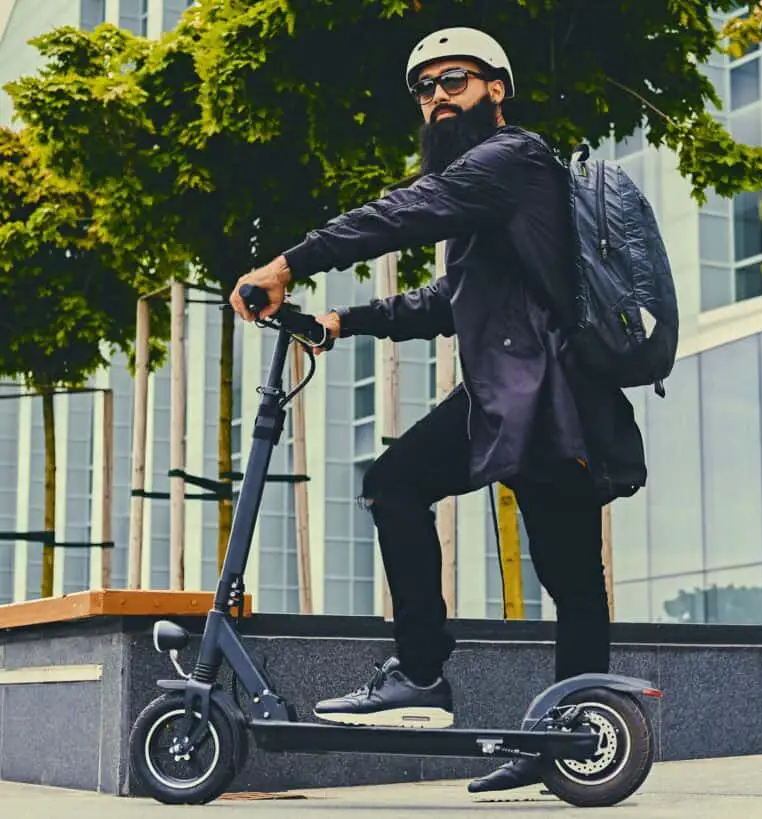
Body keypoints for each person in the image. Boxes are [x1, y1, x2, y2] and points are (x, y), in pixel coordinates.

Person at [229, 26, 646, 794]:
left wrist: (289, 263)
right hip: (515, 396)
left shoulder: (511, 159)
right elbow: (448, 301)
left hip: (544, 396)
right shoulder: (488, 195)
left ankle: (437, 680)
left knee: (543, 561)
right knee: (552, 567)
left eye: (453, 79)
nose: (436, 98)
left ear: (496, 88)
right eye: (423, 89)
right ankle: (562, 732)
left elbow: (404, 211)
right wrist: (343, 322)